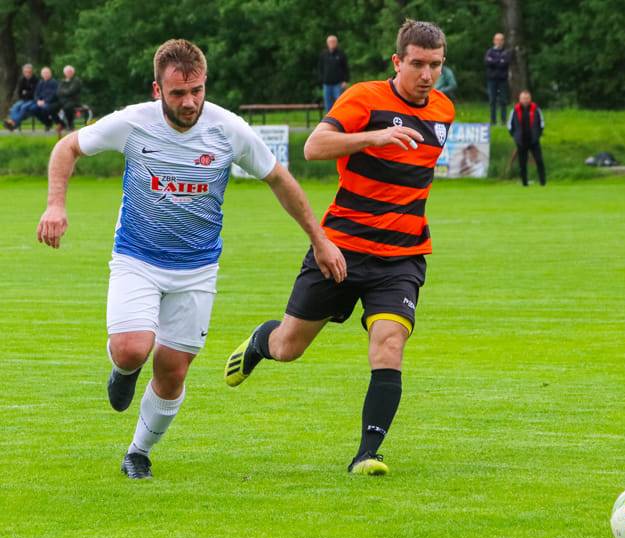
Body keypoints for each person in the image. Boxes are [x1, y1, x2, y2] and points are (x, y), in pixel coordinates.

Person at [35, 39, 345, 480]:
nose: (190, 102)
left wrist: (320, 240)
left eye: (197, 90)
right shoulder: (132, 123)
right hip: (136, 258)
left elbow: (279, 179)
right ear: (157, 89)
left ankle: (138, 452)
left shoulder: (228, 129)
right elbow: (67, 148)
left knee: (173, 370)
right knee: (132, 349)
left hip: (197, 268)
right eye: (178, 93)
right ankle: (124, 369)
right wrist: (55, 205)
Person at [224, 19, 455, 477]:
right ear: (397, 62)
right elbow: (313, 146)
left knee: (389, 345)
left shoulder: (444, 109)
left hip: (402, 256)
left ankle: (367, 453)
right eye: (417, 64)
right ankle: (257, 343)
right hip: (340, 250)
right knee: (288, 347)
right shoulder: (364, 98)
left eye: (435, 65)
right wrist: (374, 136)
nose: (426, 75)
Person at [507, 89, 545, 185]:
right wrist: (515, 136)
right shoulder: (515, 110)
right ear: (520, 99)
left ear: (530, 98)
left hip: (534, 140)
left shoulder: (536, 109)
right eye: (523, 98)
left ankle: (543, 182)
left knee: (539, 160)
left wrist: (538, 135)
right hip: (521, 141)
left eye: (527, 98)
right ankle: (524, 183)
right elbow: (509, 125)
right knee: (522, 163)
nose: (525, 100)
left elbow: (542, 123)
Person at [318, 35, 349, 112]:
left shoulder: (341, 54)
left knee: (339, 104)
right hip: (327, 84)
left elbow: (346, 68)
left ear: (336, 43)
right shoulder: (323, 54)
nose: (332, 43)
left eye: (333, 41)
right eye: (330, 42)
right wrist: (322, 79)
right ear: (327, 43)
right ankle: (328, 122)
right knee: (328, 104)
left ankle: (339, 121)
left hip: (338, 84)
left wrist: (345, 81)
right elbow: (320, 68)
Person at [485, 32, 510, 125]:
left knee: (503, 100)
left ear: (503, 41)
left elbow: (505, 63)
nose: (499, 42)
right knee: (492, 100)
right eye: (497, 40)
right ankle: (493, 121)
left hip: (503, 80)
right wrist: (499, 60)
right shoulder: (489, 52)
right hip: (492, 80)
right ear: (494, 41)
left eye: (501, 40)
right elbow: (488, 63)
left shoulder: (506, 52)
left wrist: (494, 61)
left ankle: (503, 121)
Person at [3, 63, 38, 131]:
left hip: (33, 100)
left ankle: (13, 123)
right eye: (25, 72)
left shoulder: (36, 80)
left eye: (28, 72)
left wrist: (25, 92)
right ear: (23, 72)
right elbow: (20, 92)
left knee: (23, 107)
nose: (27, 73)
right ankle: (12, 123)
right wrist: (26, 93)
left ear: (31, 72)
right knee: (15, 107)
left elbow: (34, 93)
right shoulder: (22, 80)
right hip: (23, 100)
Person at [55, 65, 82, 135]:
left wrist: (63, 91)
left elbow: (71, 91)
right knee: (52, 107)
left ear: (73, 72)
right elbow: (58, 92)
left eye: (70, 72)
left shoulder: (76, 81)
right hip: (63, 101)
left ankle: (70, 124)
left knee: (67, 107)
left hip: (74, 101)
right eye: (67, 72)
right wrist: (65, 92)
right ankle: (62, 124)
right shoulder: (62, 81)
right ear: (64, 73)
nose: (68, 73)